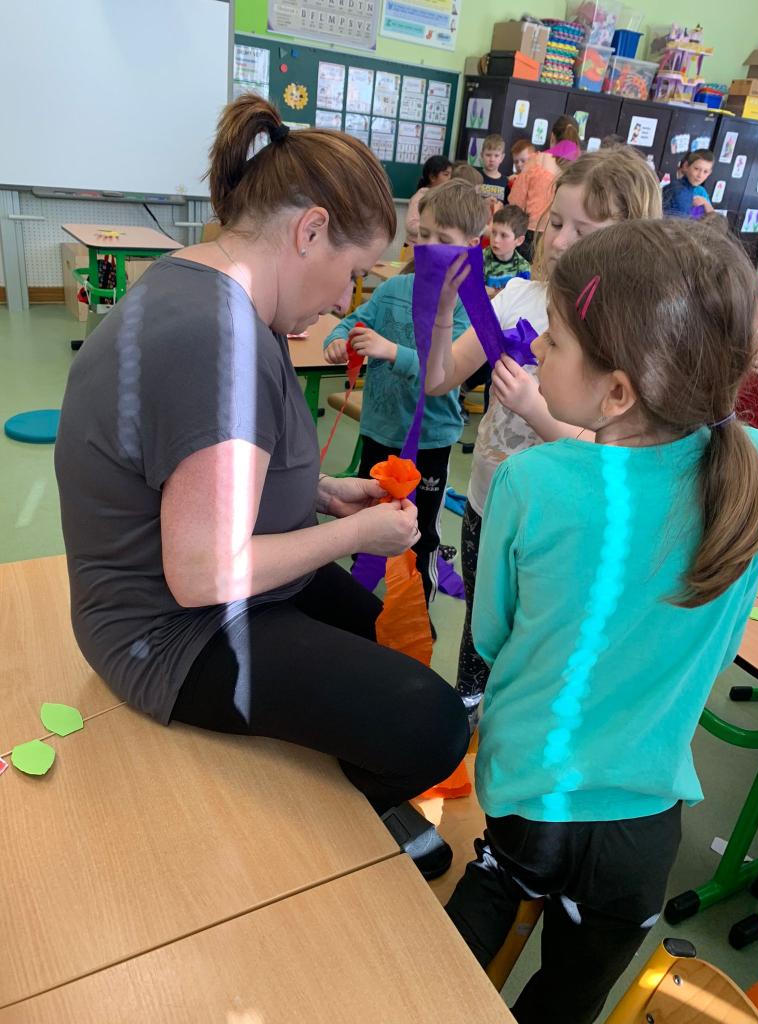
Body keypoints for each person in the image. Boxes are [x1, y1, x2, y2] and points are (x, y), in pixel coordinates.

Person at [54, 94, 469, 879]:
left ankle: (356, 785)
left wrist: (323, 492)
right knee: (435, 725)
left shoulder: (215, 289)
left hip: (212, 591)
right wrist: (355, 534)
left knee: (385, 635)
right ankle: (338, 832)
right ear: (309, 231)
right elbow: (201, 573)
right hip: (169, 634)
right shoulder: (218, 339)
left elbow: (200, 468)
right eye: (351, 273)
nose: (344, 300)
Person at [445, 217, 758, 1024]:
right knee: (572, 1000)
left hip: (533, 797)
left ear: (617, 392)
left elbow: (490, 638)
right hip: (642, 837)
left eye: (553, 342)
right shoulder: (754, 466)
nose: (537, 355)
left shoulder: (532, 482)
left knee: (484, 914)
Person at [424, 148, 662, 725]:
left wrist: (536, 410)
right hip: (488, 504)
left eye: (584, 231)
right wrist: (445, 308)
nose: (559, 242)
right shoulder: (518, 298)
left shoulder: (627, 335)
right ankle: (465, 722)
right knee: (479, 632)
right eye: (555, 222)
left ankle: (511, 732)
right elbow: (438, 379)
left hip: (561, 522)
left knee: (538, 644)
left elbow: (617, 454)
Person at [323, 180, 486, 604]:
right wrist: (338, 340)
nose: (428, 247)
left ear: (470, 247)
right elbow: (353, 322)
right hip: (380, 431)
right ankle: (360, 598)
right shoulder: (394, 289)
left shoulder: (469, 307)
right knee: (367, 516)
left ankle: (418, 610)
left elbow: (446, 371)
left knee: (420, 532)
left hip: (429, 442)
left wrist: (391, 351)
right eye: (423, 235)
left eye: (443, 239)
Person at [508, 115, 582, 254]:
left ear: (552, 136)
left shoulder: (538, 160)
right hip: (563, 236)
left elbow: (516, 201)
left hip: (531, 233)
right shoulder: (580, 168)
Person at [405, 154, 453, 244]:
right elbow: (411, 224)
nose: (450, 178)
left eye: (451, 175)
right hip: (413, 248)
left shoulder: (443, 197)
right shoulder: (420, 197)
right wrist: (435, 229)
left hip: (428, 247)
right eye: (446, 174)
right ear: (432, 177)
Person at [483, 204, 530, 290]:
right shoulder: (480, 259)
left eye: (503, 235)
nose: (496, 240)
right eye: (493, 232)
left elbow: (520, 295)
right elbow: (472, 290)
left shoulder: (523, 268)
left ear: (519, 241)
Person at [662, 149, 714, 217]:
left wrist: (705, 203)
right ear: (686, 166)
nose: (700, 175)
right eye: (696, 169)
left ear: (709, 173)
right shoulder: (679, 191)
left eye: (705, 172)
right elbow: (679, 223)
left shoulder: (691, 190)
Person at [478, 134, 510, 206]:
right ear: (482, 155)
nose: (492, 159)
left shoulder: (506, 182)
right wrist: (483, 203)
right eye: (488, 155)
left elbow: (507, 207)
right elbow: (468, 202)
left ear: (502, 157)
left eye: (496, 156)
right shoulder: (475, 177)